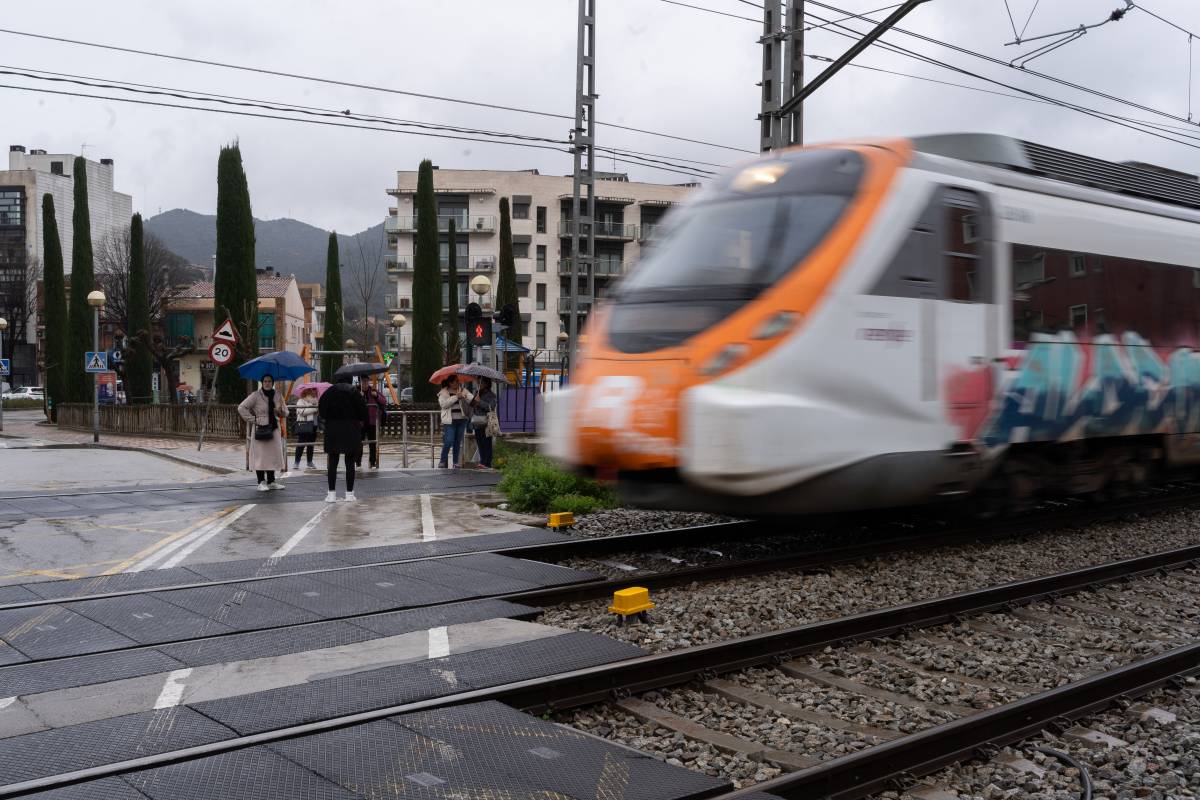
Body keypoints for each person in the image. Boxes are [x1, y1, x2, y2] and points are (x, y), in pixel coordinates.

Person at [318, 374, 368, 502]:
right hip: (351, 430)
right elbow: (363, 413)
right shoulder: (355, 392)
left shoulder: (329, 392)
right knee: (350, 463)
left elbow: (322, 410)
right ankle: (349, 494)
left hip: (333, 430)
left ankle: (331, 494)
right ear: (350, 380)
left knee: (333, 463)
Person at [237, 375, 288, 491]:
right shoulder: (256, 395)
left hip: (274, 427)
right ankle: (261, 482)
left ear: (273, 382)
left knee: (272, 455)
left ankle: (271, 481)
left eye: (269, 381)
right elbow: (241, 407)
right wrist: (253, 419)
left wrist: (280, 410)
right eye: (265, 381)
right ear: (262, 382)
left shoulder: (278, 395)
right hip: (261, 427)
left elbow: (286, 413)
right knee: (260, 455)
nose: (267, 383)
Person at [437, 377, 472, 468]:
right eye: (456, 381)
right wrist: (456, 397)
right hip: (449, 421)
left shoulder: (463, 390)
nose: (458, 383)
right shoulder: (444, 392)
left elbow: (472, 400)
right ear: (450, 383)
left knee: (457, 442)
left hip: (462, 420)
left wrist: (465, 396)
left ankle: (455, 462)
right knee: (448, 441)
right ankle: (442, 460)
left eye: (458, 381)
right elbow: (444, 405)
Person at [358, 377, 389, 469]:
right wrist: (358, 396)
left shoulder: (373, 390)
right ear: (360, 382)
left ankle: (372, 462)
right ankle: (358, 462)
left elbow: (384, 401)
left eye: (367, 381)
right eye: (363, 381)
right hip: (360, 422)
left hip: (372, 421)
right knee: (359, 442)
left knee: (373, 443)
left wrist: (376, 396)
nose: (365, 383)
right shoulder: (356, 391)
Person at [470, 377, 499, 469]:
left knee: (486, 442)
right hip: (477, 422)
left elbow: (491, 406)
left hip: (486, 422)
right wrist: (472, 400)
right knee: (479, 442)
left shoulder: (491, 395)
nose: (478, 385)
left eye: (481, 383)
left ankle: (487, 463)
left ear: (486, 384)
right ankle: (482, 461)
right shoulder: (477, 393)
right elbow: (472, 405)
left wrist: (480, 402)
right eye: (478, 383)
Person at [293, 386, 319, 470]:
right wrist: (314, 409)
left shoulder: (316, 401)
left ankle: (309, 462)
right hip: (304, 424)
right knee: (301, 444)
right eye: (312, 390)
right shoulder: (301, 401)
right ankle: (296, 462)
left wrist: (317, 409)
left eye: (315, 390)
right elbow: (302, 412)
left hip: (314, 425)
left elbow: (317, 413)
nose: (314, 391)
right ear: (307, 391)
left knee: (311, 445)